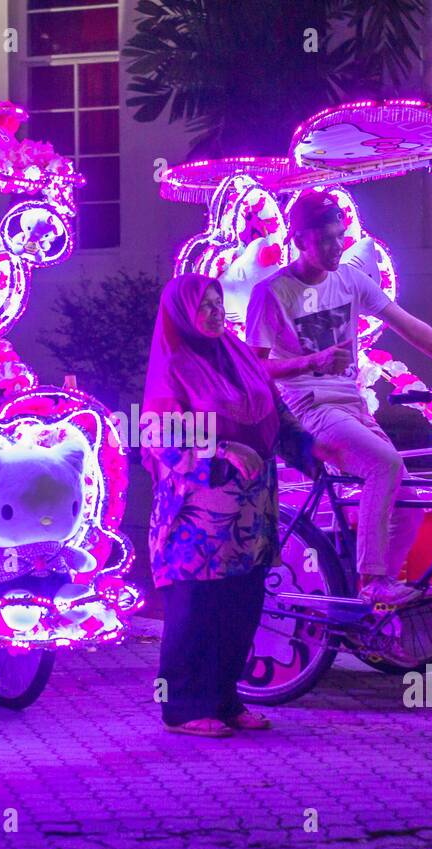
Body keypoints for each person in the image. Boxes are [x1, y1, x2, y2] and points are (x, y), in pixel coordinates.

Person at [246, 190, 432, 607]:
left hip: (350, 407)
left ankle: (375, 608)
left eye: (340, 237)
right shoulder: (272, 294)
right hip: (307, 409)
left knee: (408, 501)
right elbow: (253, 368)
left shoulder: (351, 279)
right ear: (299, 241)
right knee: (384, 465)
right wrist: (311, 361)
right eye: (325, 240)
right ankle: (372, 581)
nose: (337, 248)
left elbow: (410, 327)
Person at [144, 274, 318, 738]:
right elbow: (161, 436)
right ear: (183, 313)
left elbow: (273, 411)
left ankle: (224, 697)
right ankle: (182, 707)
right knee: (196, 610)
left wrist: (308, 447)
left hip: (250, 513)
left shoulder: (239, 355)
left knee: (241, 606)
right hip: (197, 516)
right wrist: (220, 454)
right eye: (204, 305)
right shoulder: (174, 366)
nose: (215, 311)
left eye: (218, 301)